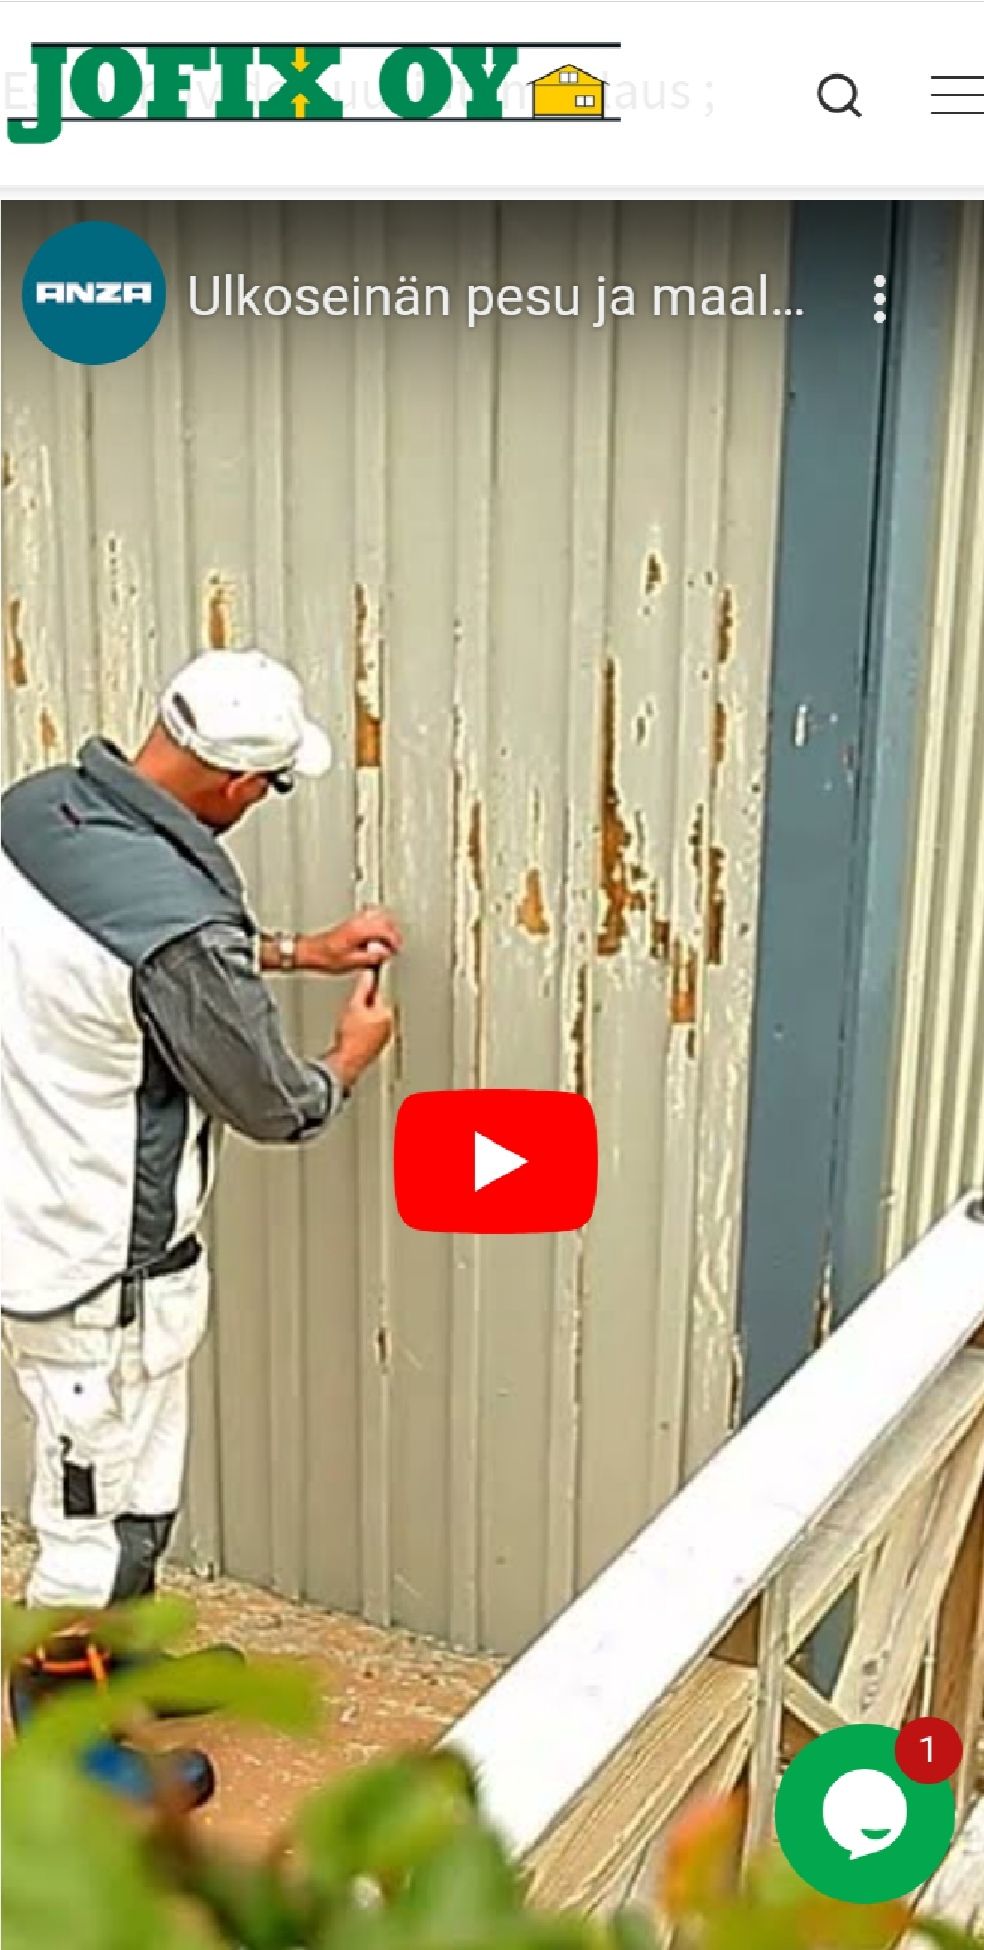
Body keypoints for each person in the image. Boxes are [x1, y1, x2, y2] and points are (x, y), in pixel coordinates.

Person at [1, 646, 401, 1805]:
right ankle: (67, 1758)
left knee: (129, 1491)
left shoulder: (39, 812)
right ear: (234, 782)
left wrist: (290, 953)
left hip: (39, 1205)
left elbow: (133, 970)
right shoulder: (176, 925)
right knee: (95, 1524)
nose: (261, 803)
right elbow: (271, 1102)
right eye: (270, 787)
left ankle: (116, 1669)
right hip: (97, 1267)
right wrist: (346, 1059)